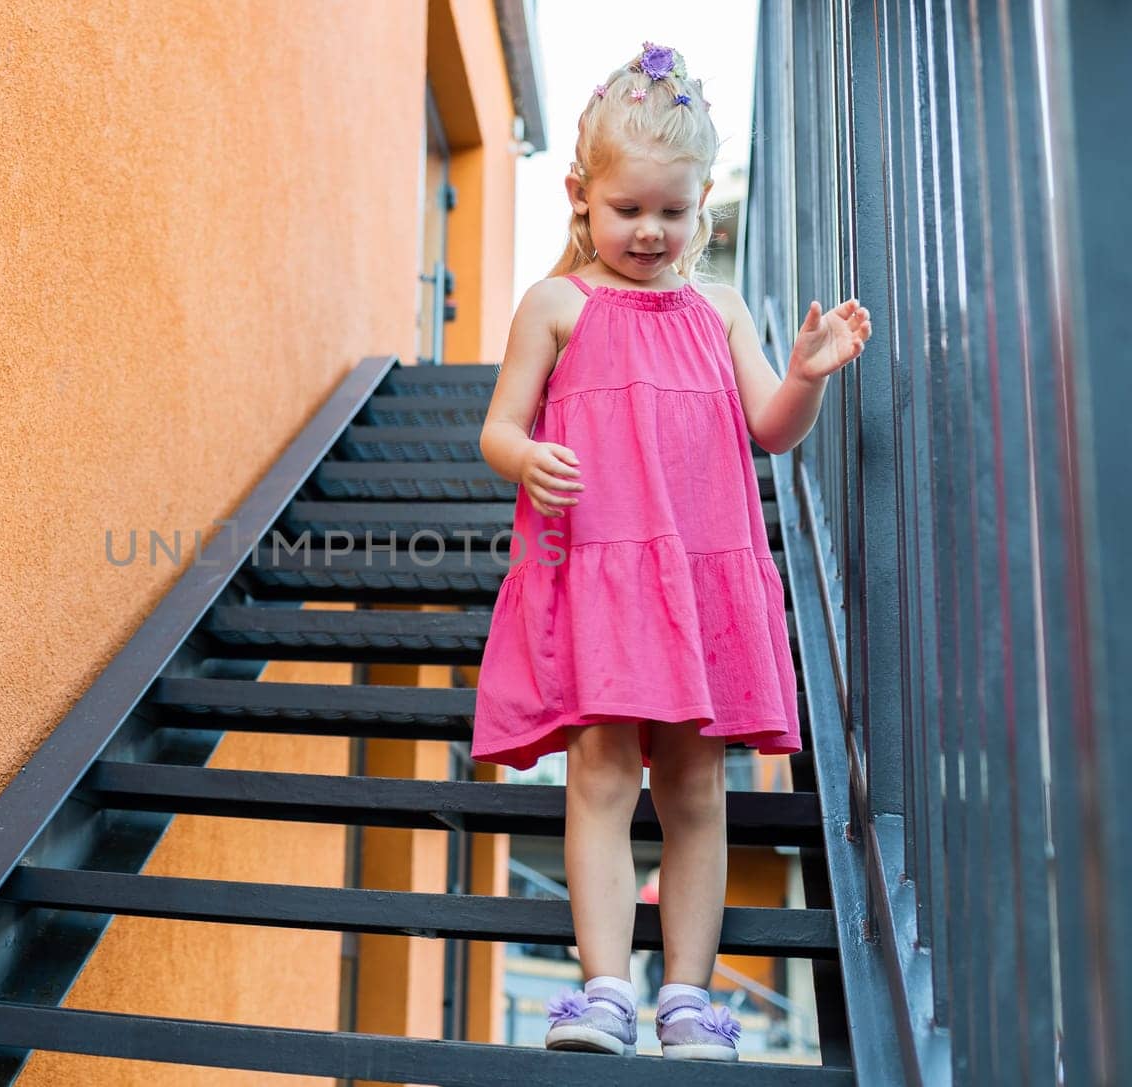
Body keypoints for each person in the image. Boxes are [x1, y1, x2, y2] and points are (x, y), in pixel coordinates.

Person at [471, 42, 871, 1063]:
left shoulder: (721, 311)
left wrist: (810, 375)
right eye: (627, 209)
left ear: (701, 209)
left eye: (673, 212)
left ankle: (686, 1000)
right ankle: (604, 988)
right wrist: (528, 457)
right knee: (601, 779)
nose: (649, 231)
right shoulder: (557, 306)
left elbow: (769, 427)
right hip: (603, 576)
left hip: (697, 584)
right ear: (579, 196)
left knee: (698, 788)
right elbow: (496, 427)